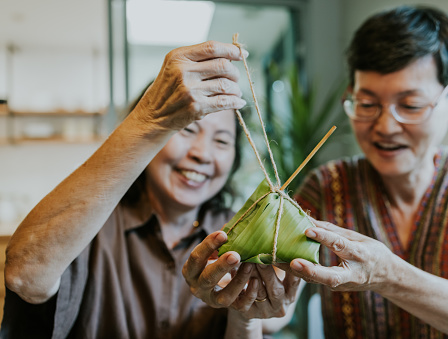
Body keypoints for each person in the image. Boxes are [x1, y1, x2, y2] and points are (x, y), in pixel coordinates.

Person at [184, 5, 448, 338]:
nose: (385, 126)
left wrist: (388, 275)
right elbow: (279, 310)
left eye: (410, 105)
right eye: (367, 104)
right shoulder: (327, 186)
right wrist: (241, 293)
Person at [1, 41, 295, 338]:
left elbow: (276, 317)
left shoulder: (241, 235)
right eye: (188, 130)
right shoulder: (91, 225)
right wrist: (148, 119)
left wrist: (247, 316)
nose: (202, 154)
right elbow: (25, 276)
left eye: (221, 142)